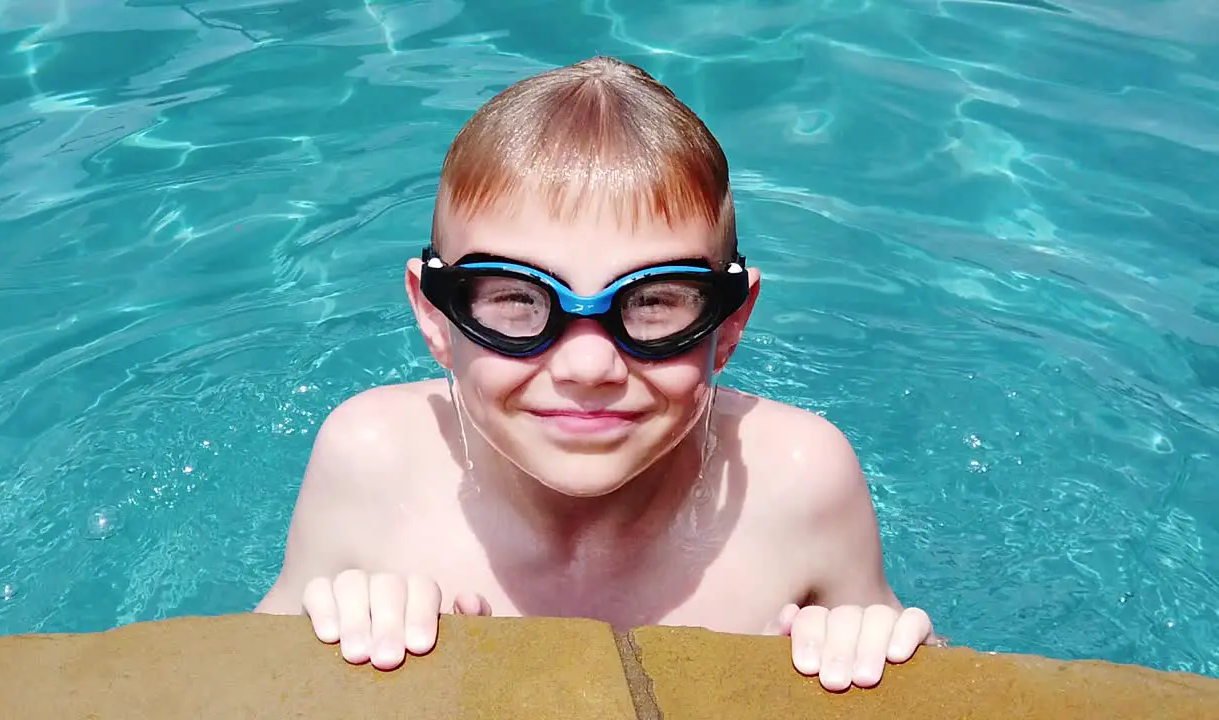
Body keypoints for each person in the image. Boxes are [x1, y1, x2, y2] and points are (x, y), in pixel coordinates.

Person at [255, 55, 943, 692]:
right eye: (518, 300)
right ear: (436, 317)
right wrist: (342, 629)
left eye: (653, 303)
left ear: (729, 324)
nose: (589, 366)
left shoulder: (796, 480)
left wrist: (869, 644)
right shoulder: (374, 463)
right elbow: (242, 670)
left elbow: (936, 672)